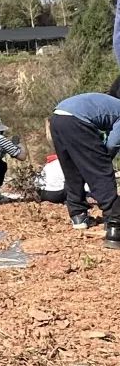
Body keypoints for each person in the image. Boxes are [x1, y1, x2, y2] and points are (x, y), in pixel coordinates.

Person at [49, 81, 120, 246]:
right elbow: (113, 144)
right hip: (77, 120)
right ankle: (114, 220)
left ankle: (78, 215)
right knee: (100, 171)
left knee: (72, 169)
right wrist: (102, 158)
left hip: (57, 117)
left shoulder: (107, 102)